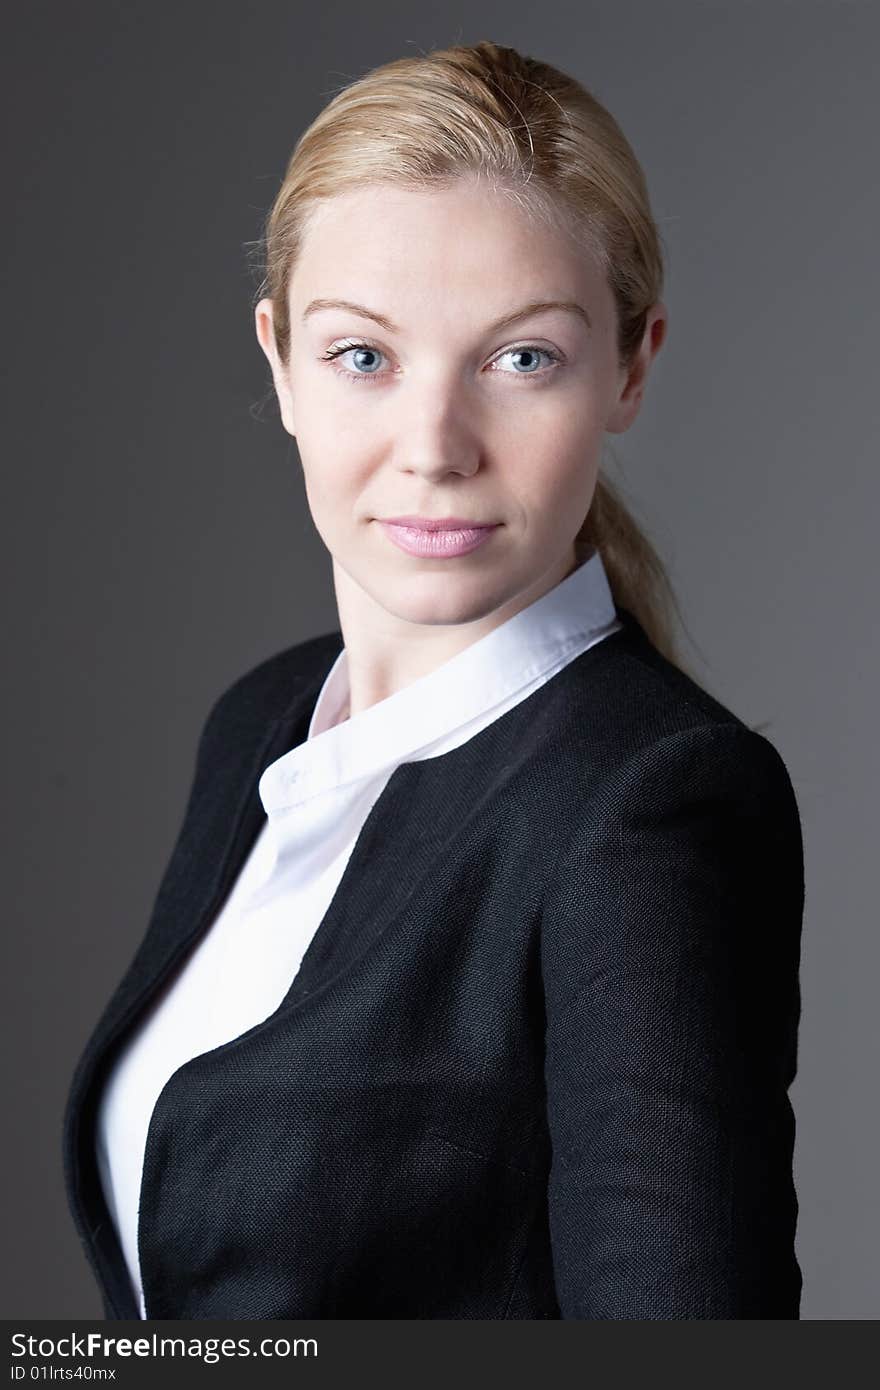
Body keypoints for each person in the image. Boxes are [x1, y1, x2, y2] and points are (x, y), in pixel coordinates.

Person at [62, 39, 804, 1320]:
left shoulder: (653, 804)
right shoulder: (260, 722)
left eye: (522, 359)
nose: (434, 449)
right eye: (363, 356)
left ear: (630, 365)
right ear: (279, 360)